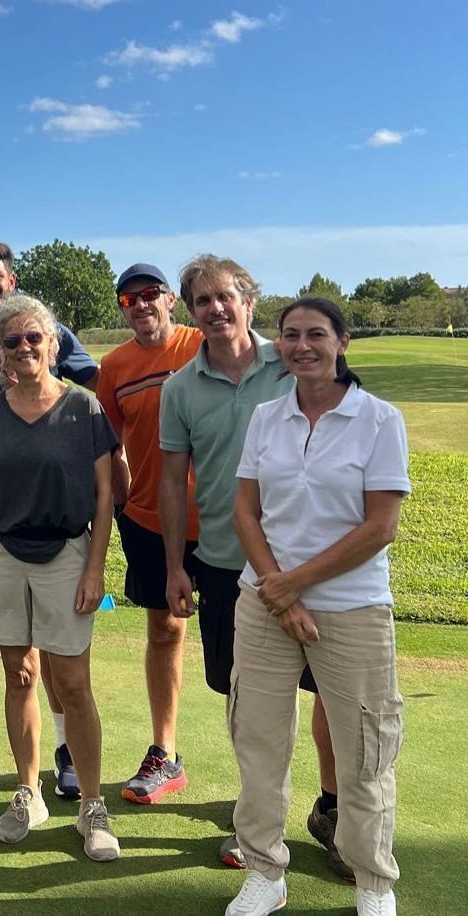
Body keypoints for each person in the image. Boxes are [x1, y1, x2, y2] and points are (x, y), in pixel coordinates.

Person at [159, 254, 346, 875]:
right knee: (248, 700)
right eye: (202, 301)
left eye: (225, 297)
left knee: (328, 695)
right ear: (191, 311)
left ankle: (333, 807)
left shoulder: (291, 361)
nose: (214, 309)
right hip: (222, 563)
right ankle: (259, 815)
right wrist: (174, 566)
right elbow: (172, 480)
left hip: (311, 564)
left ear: (247, 300)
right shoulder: (180, 387)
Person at [225, 298, 407, 916]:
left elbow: (380, 526)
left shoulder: (379, 419)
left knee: (365, 750)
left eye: (317, 335)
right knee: (258, 742)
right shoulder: (266, 417)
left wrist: (291, 584)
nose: (303, 345)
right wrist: (278, 592)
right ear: (278, 344)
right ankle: (265, 872)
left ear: (342, 342)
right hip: (265, 604)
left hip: (352, 608)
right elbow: (245, 511)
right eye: (291, 335)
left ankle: (373, 883)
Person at [0, 294, 120, 861]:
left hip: (68, 552)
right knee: (20, 673)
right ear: (0, 352)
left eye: (34, 338)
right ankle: (29, 793)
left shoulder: (84, 409)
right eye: (12, 341)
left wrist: (96, 567)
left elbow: (105, 495)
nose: (24, 348)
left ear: (54, 345)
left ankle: (92, 805)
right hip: (1, 553)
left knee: (71, 683)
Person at [0, 239, 100, 798]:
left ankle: (63, 747)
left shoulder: (46, 329)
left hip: (53, 512)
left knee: (56, 650)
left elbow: (92, 387)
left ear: (11, 280)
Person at [95, 263, 203, 804]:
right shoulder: (114, 366)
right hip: (150, 521)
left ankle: (257, 777)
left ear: (171, 301)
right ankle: (166, 753)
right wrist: (117, 503)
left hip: (227, 523)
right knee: (164, 631)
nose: (139, 305)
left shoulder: (204, 344)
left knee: (252, 646)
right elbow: (112, 444)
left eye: (150, 294)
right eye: (127, 299)